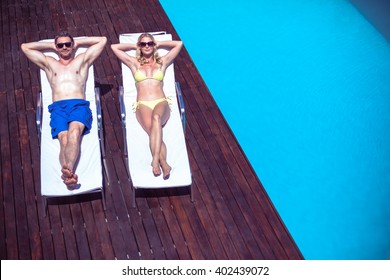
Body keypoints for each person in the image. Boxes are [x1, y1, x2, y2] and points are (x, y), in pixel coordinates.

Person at [21, 31, 107, 189]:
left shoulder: (82, 61)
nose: (64, 47)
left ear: (73, 45)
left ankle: (68, 171)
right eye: (60, 45)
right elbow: (25, 47)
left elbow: (102, 40)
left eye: (68, 44)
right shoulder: (49, 62)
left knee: (74, 133)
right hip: (58, 108)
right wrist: (50, 45)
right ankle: (68, 174)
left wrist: (78, 43)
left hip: (78, 105)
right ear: (56, 47)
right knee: (64, 140)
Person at [111, 33, 182, 179]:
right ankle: (164, 163)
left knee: (156, 118)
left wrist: (158, 44)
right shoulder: (134, 63)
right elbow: (114, 47)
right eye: (143, 44)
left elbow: (179, 44)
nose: (147, 46)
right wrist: (134, 45)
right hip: (142, 104)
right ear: (139, 46)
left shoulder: (162, 61)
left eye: (149, 43)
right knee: (153, 132)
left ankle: (155, 160)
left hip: (161, 102)